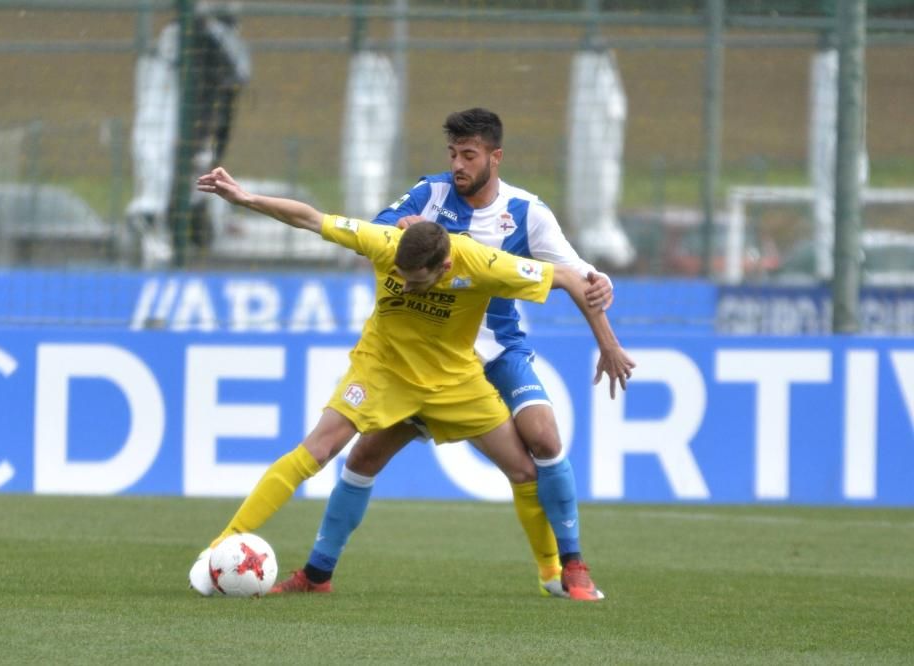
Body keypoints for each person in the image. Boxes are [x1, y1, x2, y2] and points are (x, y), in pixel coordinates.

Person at [190, 166, 634, 599]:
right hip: (382, 370)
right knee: (322, 450)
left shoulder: (483, 263)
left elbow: (572, 278)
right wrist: (246, 199)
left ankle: (551, 572)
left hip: (454, 380)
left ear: (444, 266)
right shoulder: (385, 243)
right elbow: (310, 218)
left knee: (522, 469)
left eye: (415, 279)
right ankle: (225, 551)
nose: (404, 284)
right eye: (399, 274)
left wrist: (609, 345)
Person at [279, 108, 614, 600]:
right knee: (365, 456)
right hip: (431, 357)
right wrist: (404, 222)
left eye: (469, 155)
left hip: (498, 351)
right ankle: (317, 572)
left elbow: (580, 277)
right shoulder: (430, 192)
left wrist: (606, 313)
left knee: (542, 439)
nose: (458, 164)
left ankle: (572, 566)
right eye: (453, 153)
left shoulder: (528, 213)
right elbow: (381, 230)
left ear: (495, 158)